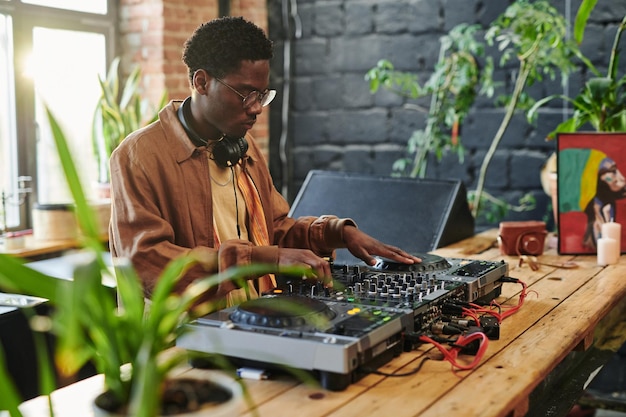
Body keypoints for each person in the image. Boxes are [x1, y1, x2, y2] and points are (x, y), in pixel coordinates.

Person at [109, 16, 420, 308]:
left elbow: (272, 231)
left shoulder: (244, 148)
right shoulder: (138, 156)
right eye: (245, 94)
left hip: (252, 320)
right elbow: (148, 263)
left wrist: (336, 232)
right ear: (201, 82)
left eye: (262, 94)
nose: (256, 108)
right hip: (181, 345)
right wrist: (261, 259)